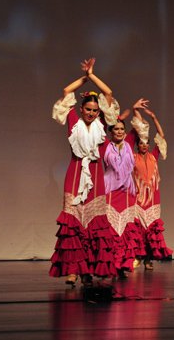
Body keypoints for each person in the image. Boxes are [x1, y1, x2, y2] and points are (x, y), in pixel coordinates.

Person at [49, 57, 120, 286]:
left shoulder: (102, 125)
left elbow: (108, 93)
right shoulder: (73, 122)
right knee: (73, 223)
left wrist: (92, 76)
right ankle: (72, 270)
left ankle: (87, 269)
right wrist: (83, 78)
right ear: (81, 109)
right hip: (75, 174)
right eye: (88, 109)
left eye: (95, 110)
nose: (91, 113)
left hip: (96, 177)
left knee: (93, 224)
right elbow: (66, 91)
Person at [103, 101, 146, 279]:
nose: (120, 131)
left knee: (126, 229)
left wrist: (135, 110)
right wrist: (118, 117)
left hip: (127, 192)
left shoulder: (129, 142)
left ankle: (123, 265)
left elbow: (139, 127)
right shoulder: (105, 144)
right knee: (111, 228)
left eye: (122, 129)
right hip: (110, 190)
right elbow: (101, 124)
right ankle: (110, 264)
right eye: (116, 129)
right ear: (111, 132)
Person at [130, 104, 173, 270]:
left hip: (153, 197)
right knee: (138, 228)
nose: (144, 145)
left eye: (146, 143)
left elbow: (161, 136)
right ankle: (137, 256)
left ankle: (148, 259)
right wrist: (136, 112)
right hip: (138, 197)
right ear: (137, 145)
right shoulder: (132, 157)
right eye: (141, 143)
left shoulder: (153, 156)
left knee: (151, 229)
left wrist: (154, 118)